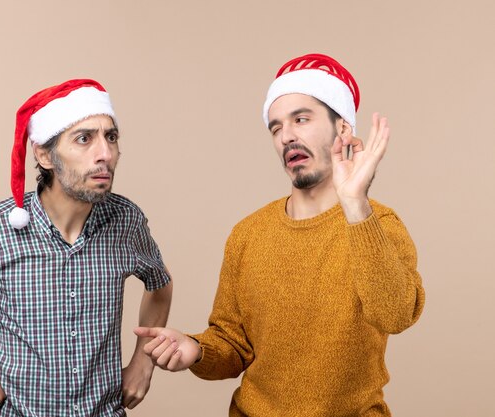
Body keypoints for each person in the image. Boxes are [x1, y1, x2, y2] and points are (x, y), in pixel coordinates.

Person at [135, 53, 425, 416]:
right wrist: (195, 349)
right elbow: (233, 344)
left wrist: (354, 204)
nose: (286, 136)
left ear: (343, 130)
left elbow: (396, 316)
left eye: (301, 119)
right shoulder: (248, 234)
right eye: (275, 127)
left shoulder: (378, 224)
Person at [0, 79, 172, 417]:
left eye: (110, 137)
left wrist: (144, 360)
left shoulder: (125, 221)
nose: (105, 154)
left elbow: (160, 284)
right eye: (84, 139)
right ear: (43, 154)